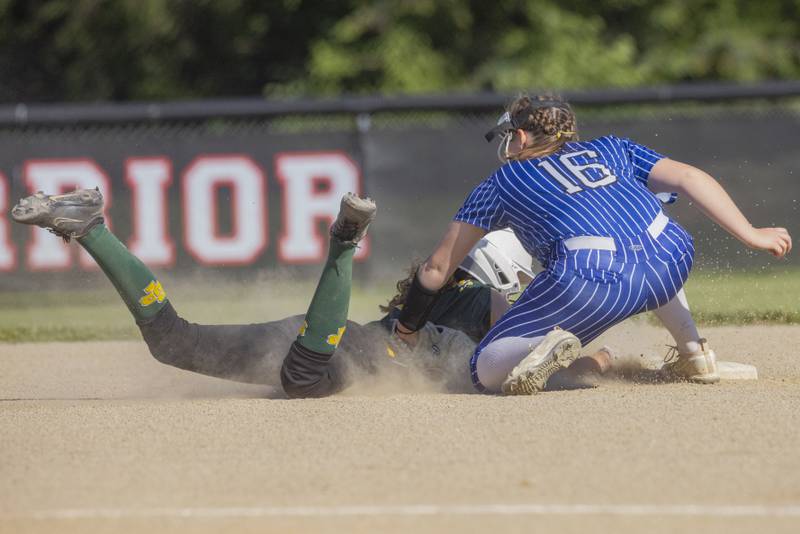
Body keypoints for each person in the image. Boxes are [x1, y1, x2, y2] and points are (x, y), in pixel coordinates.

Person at [10, 188, 615, 397]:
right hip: (350, 355)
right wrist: (604, 360)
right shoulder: (492, 323)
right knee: (304, 379)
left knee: (173, 343)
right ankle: (344, 244)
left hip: (333, 336)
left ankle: (88, 226)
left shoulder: (442, 295)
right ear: (508, 279)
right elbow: (548, 360)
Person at [394, 94, 792, 395]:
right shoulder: (612, 148)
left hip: (587, 279)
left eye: (509, 139)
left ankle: (548, 347)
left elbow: (436, 269)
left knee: (485, 371)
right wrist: (751, 233)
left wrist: (407, 327)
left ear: (519, 137)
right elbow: (689, 177)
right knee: (646, 240)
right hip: (673, 252)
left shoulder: (502, 181)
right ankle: (694, 353)